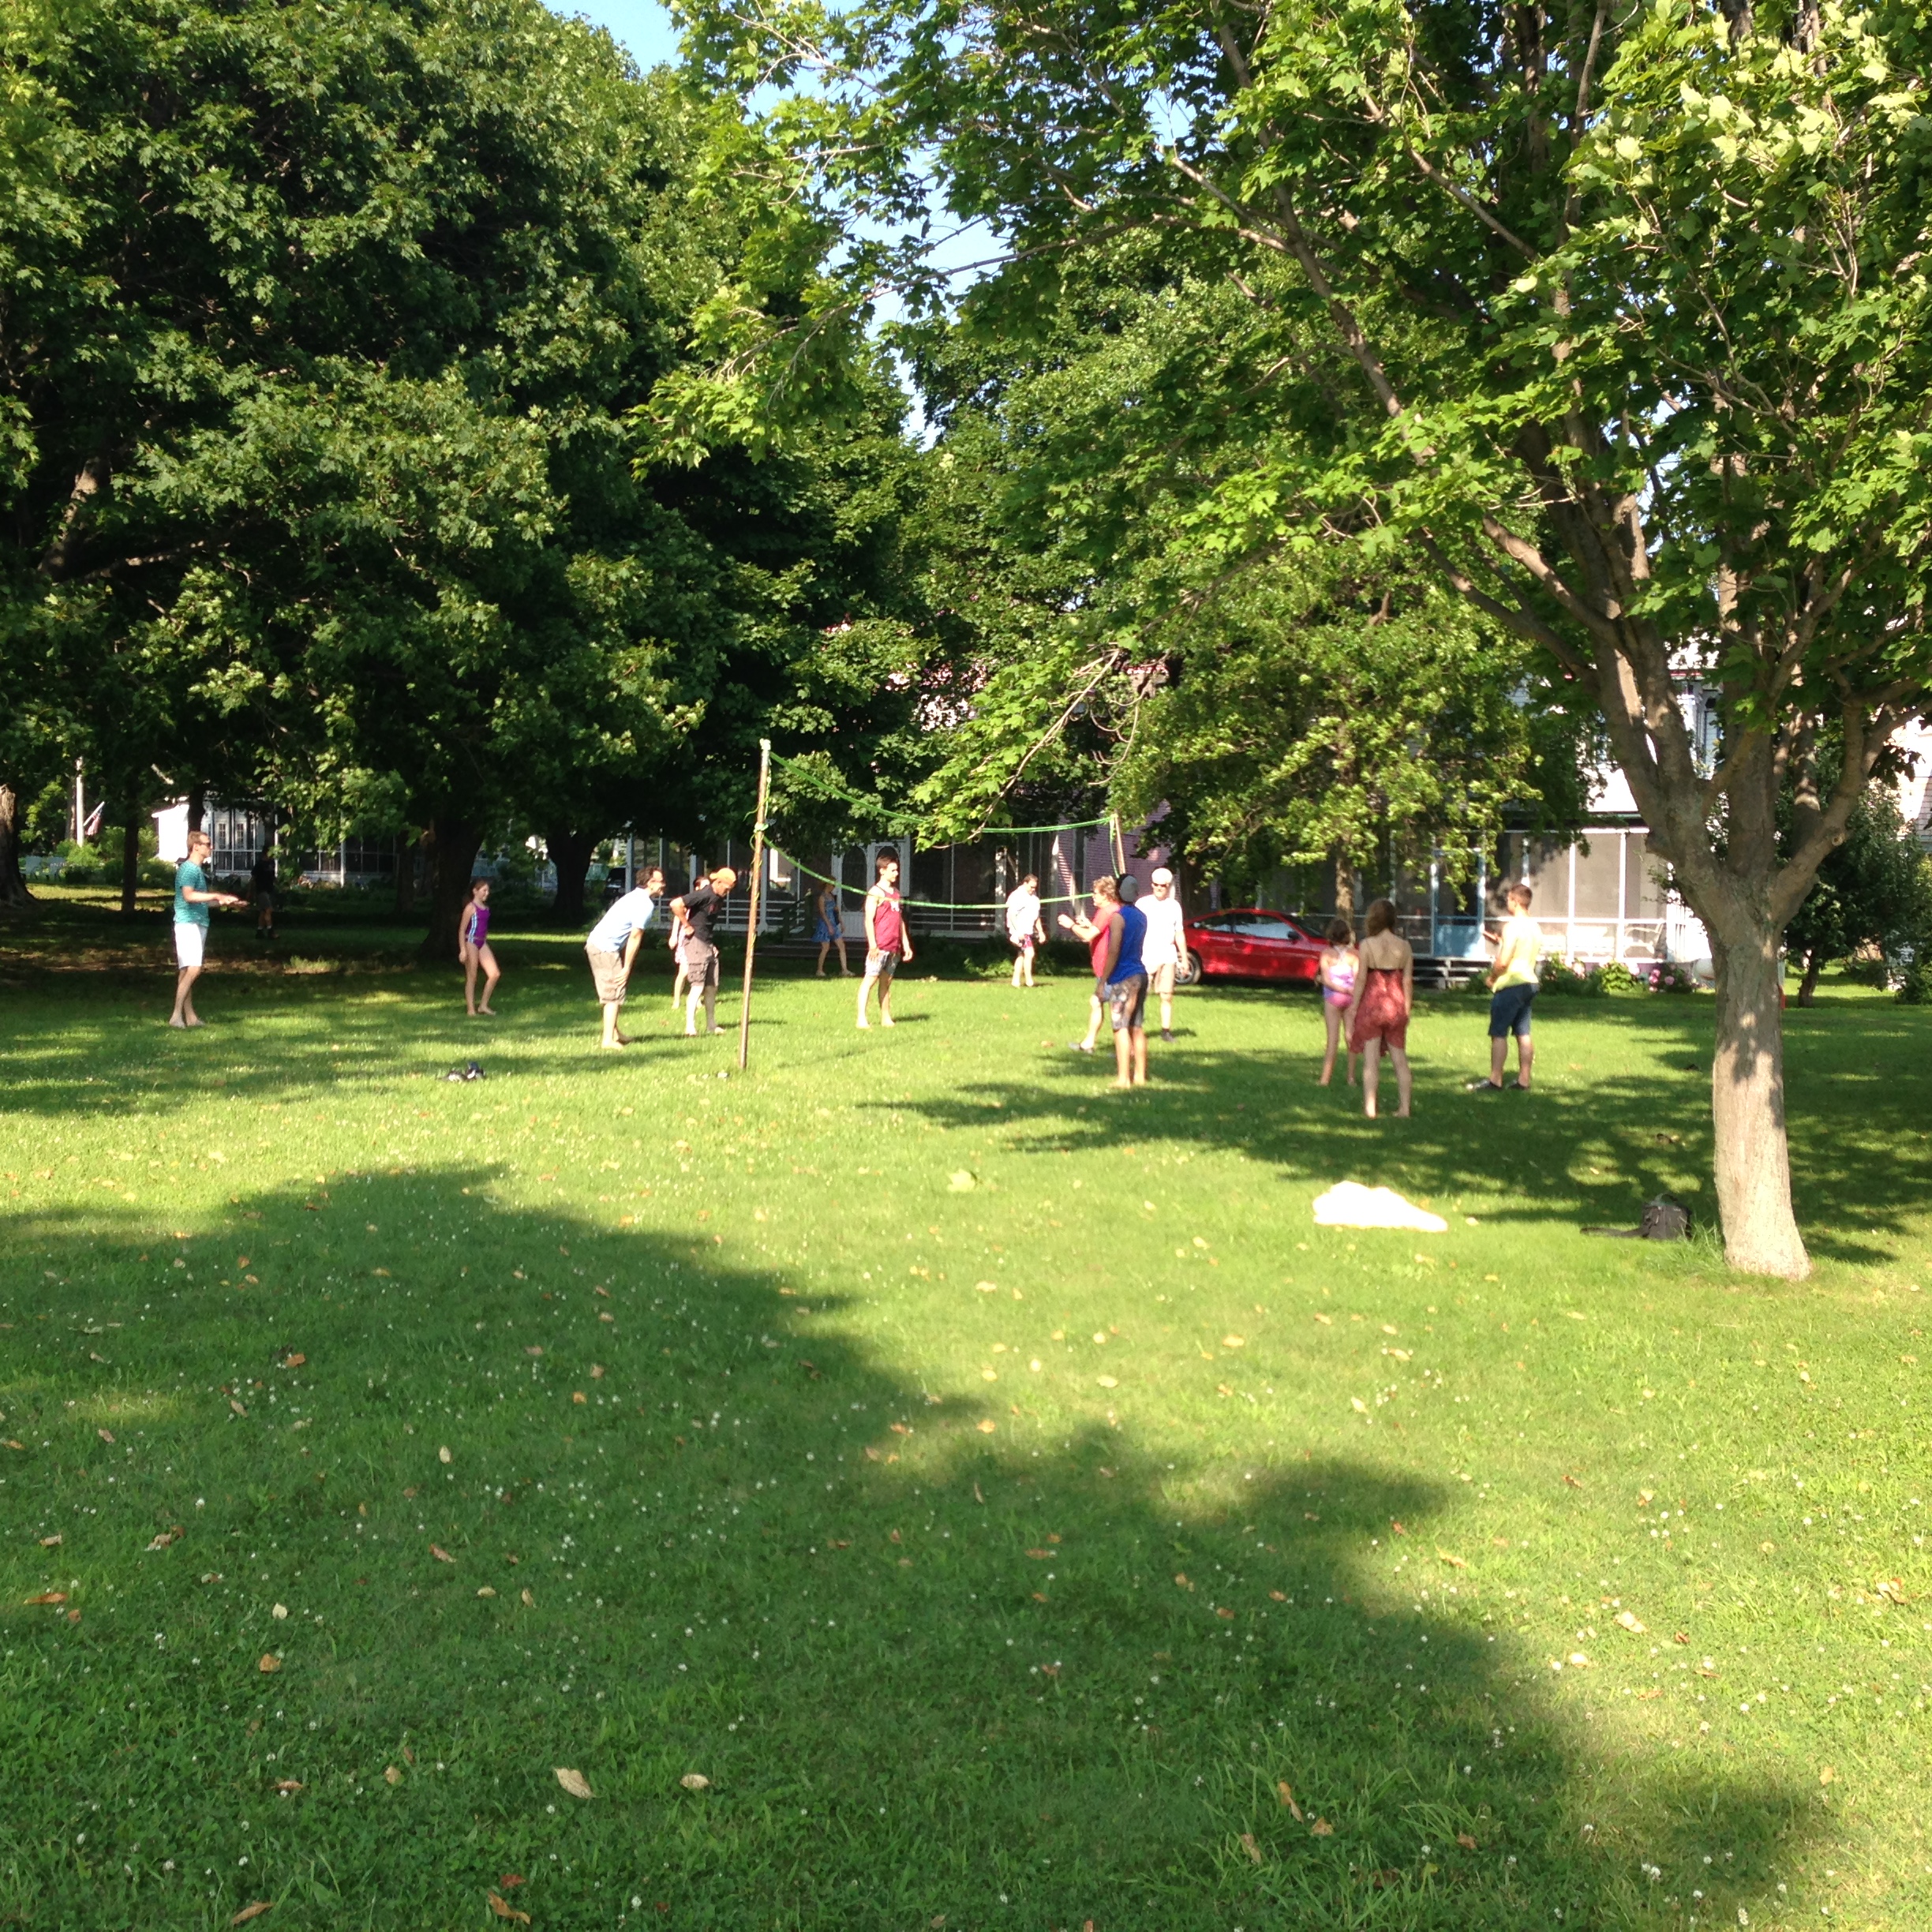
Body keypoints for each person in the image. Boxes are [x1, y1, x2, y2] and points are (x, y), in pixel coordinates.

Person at [1344, 897, 1413, 1119]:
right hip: (1396, 1003)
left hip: (1373, 1004)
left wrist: (1354, 1008)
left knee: (1371, 1059)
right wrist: (1407, 1009)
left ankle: (1370, 1108)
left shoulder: (1366, 945)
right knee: (1400, 1060)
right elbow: (1408, 981)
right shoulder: (1404, 946)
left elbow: (1362, 979)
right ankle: (1404, 1108)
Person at [168, 829, 244, 1028]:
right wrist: (216, 895)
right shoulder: (189, 869)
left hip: (197, 921)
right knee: (194, 969)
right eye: (208, 844)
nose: (211, 847)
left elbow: (200, 902)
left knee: (187, 971)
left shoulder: (197, 871)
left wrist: (225, 902)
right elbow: (189, 896)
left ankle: (190, 1017)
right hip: (188, 923)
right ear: (196, 847)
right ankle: (176, 1016)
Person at [584, 873, 666, 1049]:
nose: (663, 885)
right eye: (660, 882)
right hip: (604, 948)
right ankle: (607, 1040)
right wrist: (627, 967)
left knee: (614, 992)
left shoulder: (634, 896)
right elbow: (635, 937)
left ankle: (615, 1033)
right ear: (650, 883)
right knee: (614, 994)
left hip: (598, 944)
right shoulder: (644, 904)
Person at [1475, 882, 1541, 1091]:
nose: (1507, 903)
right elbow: (1521, 950)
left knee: (1499, 1032)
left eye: (1509, 899)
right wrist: (1499, 941)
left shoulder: (1513, 926)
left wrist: (1492, 978)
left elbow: (1503, 962)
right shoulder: (1534, 927)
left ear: (1516, 901)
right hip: (1529, 982)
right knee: (1523, 1033)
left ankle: (1495, 1080)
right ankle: (1524, 1080)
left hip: (1511, 983)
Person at [670, 865, 737, 1037]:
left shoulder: (719, 898)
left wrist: (711, 944)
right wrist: (686, 925)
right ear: (719, 882)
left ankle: (711, 1025)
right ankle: (690, 1027)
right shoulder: (704, 894)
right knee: (697, 986)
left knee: (711, 987)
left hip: (707, 943)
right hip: (695, 942)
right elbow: (676, 904)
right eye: (727, 888)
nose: (728, 892)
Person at [1057, 878, 1118, 1054]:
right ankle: (1088, 1043)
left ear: (1105, 895)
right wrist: (1088, 924)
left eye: (1096, 893)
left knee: (1114, 1008)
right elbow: (1100, 932)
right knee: (1097, 1002)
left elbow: (1088, 937)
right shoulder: (1112, 910)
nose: (1093, 896)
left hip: (1109, 969)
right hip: (1106, 968)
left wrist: (1072, 925)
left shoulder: (1107, 911)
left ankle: (1124, 1049)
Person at [1099, 874, 1148, 1089]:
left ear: (1117, 892)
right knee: (1136, 1027)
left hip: (1124, 977)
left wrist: (1103, 980)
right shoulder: (1141, 917)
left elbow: (1113, 950)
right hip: (1141, 974)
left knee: (1119, 1026)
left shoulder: (1118, 918)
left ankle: (1123, 1079)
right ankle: (1140, 1076)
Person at [856, 851, 914, 1028]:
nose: (896, 874)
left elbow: (899, 920)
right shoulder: (875, 892)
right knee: (870, 980)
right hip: (880, 945)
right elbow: (868, 920)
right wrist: (873, 945)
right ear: (882, 870)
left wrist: (905, 944)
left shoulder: (896, 893)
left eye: (897, 870)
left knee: (886, 982)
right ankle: (861, 1019)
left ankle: (886, 1018)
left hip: (894, 945)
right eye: (893, 870)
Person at [1140, 866, 1190, 1041]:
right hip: (1145, 956)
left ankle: (1166, 1031)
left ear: (1169, 886)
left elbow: (1179, 933)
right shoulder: (1143, 904)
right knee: (1140, 996)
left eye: (1163, 885)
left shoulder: (1174, 906)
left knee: (1167, 995)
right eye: (1156, 884)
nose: (1159, 888)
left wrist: (1184, 959)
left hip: (1168, 956)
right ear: (1152, 884)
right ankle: (1136, 1029)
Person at [1317, 915, 1361, 1088]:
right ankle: (1351, 1078)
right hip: (1351, 999)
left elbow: (1326, 980)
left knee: (1332, 1040)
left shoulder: (1326, 954)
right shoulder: (1355, 955)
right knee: (1351, 1037)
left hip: (1332, 999)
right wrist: (1351, 992)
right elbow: (1358, 980)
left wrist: (1340, 989)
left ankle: (1325, 1079)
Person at [459, 878, 501, 1017]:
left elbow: (484, 928)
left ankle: (483, 1005)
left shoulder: (486, 909)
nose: (487, 893)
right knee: (472, 976)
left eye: (488, 890)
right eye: (484, 890)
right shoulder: (470, 908)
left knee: (494, 974)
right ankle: (471, 1009)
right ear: (475, 891)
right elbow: (462, 930)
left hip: (482, 942)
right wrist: (463, 949)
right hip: (471, 941)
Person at [1005, 873, 1044, 988]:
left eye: (1035, 887)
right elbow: (1011, 914)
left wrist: (1041, 931)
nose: (1033, 889)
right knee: (1030, 953)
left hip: (1028, 931)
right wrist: (1017, 932)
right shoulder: (1017, 896)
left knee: (1021, 955)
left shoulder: (1034, 899)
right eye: (1031, 887)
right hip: (1019, 931)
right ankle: (1029, 980)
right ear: (1025, 883)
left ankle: (1015, 981)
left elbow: (1036, 917)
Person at [813, 879, 849, 978]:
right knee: (825, 948)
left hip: (833, 923)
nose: (834, 886)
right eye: (832, 884)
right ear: (827, 884)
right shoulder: (822, 897)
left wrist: (841, 923)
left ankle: (844, 970)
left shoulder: (832, 897)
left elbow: (836, 911)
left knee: (842, 946)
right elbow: (822, 913)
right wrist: (829, 926)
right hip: (825, 924)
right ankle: (819, 970)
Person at [249, 847, 277, 944]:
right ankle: (270, 931)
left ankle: (260, 931)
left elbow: (272, 876)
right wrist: (251, 891)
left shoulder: (271, 863)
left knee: (263, 911)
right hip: (261, 890)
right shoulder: (259, 865)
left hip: (269, 889)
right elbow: (253, 878)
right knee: (269, 910)